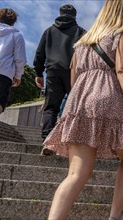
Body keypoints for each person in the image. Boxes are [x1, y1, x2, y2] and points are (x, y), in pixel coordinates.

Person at [43, 0, 123, 219]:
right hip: (107, 98)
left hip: (79, 102)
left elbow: (73, 80)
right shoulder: (122, 36)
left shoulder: (81, 44)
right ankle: (115, 215)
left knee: (76, 173)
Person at [33, 4, 86, 155]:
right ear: (75, 16)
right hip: (74, 72)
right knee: (75, 107)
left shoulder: (49, 31)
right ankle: (71, 140)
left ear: (60, 14)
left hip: (53, 71)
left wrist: (38, 73)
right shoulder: (81, 32)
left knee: (51, 107)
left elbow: (39, 54)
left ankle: (48, 141)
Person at [0, 8, 26, 120]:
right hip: (3, 73)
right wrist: (18, 75)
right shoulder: (17, 36)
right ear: (13, 21)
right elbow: (20, 59)